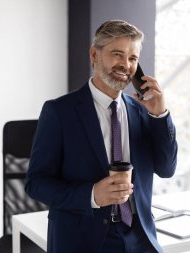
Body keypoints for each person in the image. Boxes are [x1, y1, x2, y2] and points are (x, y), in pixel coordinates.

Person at [25, 19, 178, 253]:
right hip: (81, 241)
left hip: (139, 237)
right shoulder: (59, 112)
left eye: (133, 58)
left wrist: (160, 115)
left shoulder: (143, 110)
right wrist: (92, 195)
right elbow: (36, 184)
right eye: (117, 54)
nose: (125, 65)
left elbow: (166, 169)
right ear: (94, 55)